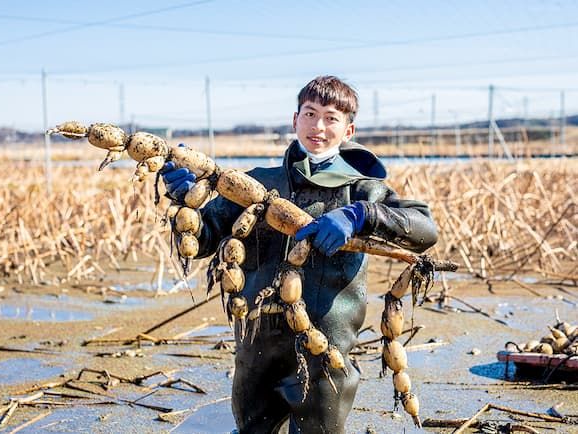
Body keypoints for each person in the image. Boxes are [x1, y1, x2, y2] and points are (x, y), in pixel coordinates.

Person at [160, 76, 438, 433]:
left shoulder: (363, 190)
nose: (318, 126)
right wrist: (185, 200)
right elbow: (204, 240)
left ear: (348, 129)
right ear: (295, 120)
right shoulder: (256, 184)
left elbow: (424, 230)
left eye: (330, 117)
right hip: (257, 345)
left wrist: (361, 215)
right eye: (309, 114)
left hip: (326, 347)